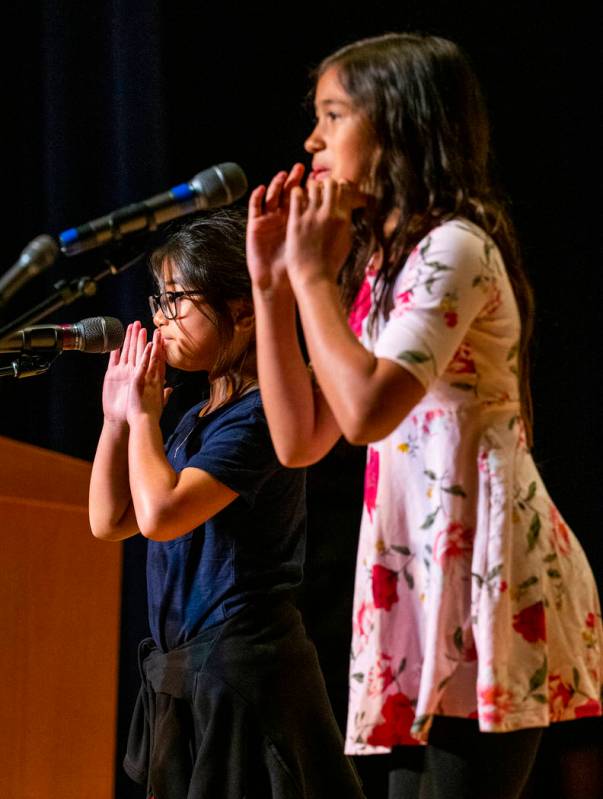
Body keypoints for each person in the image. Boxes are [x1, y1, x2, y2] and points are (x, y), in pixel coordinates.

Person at [246, 33, 603, 799]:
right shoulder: (384, 264)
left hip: (483, 576)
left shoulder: (455, 247)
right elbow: (303, 436)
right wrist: (275, 287)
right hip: (417, 574)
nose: (311, 139)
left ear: (399, 125)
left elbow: (368, 409)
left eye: (332, 115)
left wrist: (311, 276)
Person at [88, 209, 365, 799]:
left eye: (176, 301)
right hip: (193, 678)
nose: (159, 319)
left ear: (242, 311)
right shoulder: (194, 419)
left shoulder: (259, 416)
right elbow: (111, 521)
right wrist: (118, 422)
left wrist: (141, 418)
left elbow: (161, 516)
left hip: (245, 678)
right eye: (157, 301)